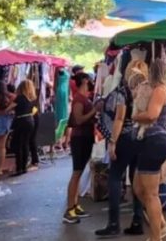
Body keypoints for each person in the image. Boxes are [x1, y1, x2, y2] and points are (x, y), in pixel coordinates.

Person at [95, 65, 148, 238]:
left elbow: (119, 118)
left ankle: (113, 223)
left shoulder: (122, 93)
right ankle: (137, 221)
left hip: (124, 138)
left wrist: (112, 142)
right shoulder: (146, 91)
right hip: (140, 138)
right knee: (136, 181)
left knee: (115, 177)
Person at [132, 59, 166, 241]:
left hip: (154, 141)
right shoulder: (163, 90)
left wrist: (135, 116)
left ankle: (156, 236)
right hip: (151, 141)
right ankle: (161, 225)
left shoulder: (159, 91)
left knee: (150, 194)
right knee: (139, 189)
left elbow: (151, 115)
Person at [63, 71, 103, 224]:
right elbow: (78, 119)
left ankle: (74, 205)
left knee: (78, 173)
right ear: (85, 81)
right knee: (76, 173)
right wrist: (94, 110)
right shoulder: (79, 99)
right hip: (80, 138)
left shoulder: (83, 98)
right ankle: (69, 210)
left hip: (85, 138)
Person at [8, 80, 36, 177]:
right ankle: (24, 167)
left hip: (21, 121)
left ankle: (19, 168)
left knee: (18, 144)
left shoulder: (20, 98)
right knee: (25, 144)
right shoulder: (31, 98)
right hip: (30, 120)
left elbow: (9, 108)